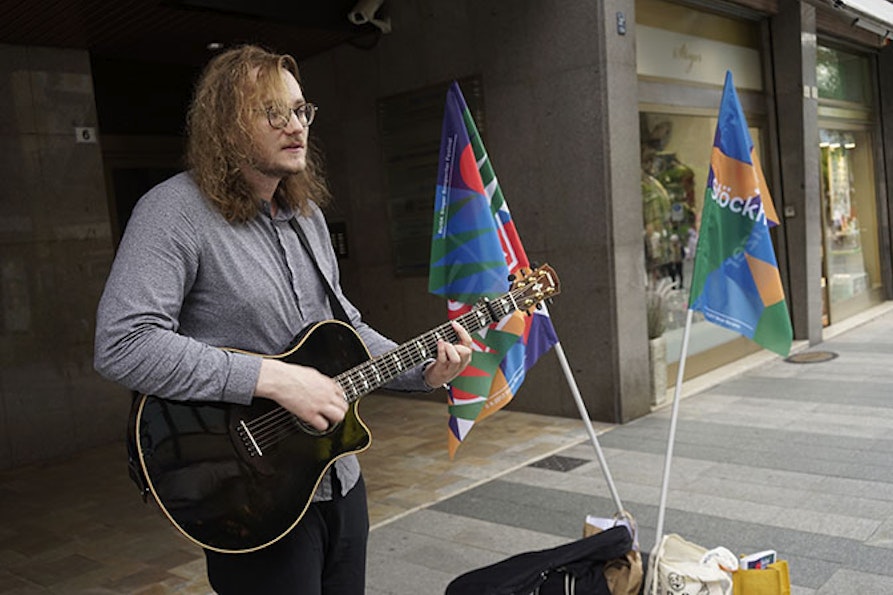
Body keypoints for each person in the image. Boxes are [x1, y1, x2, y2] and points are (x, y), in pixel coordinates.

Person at [93, 44, 473, 594]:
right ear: (226, 125)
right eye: (273, 112)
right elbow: (123, 343)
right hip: (249, 496)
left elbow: (344, 328)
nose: (296, 126)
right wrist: (274, 379)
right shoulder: (173, 212)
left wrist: (424, 371)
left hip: (337, 479)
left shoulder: (306, 216)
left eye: (300, 110)